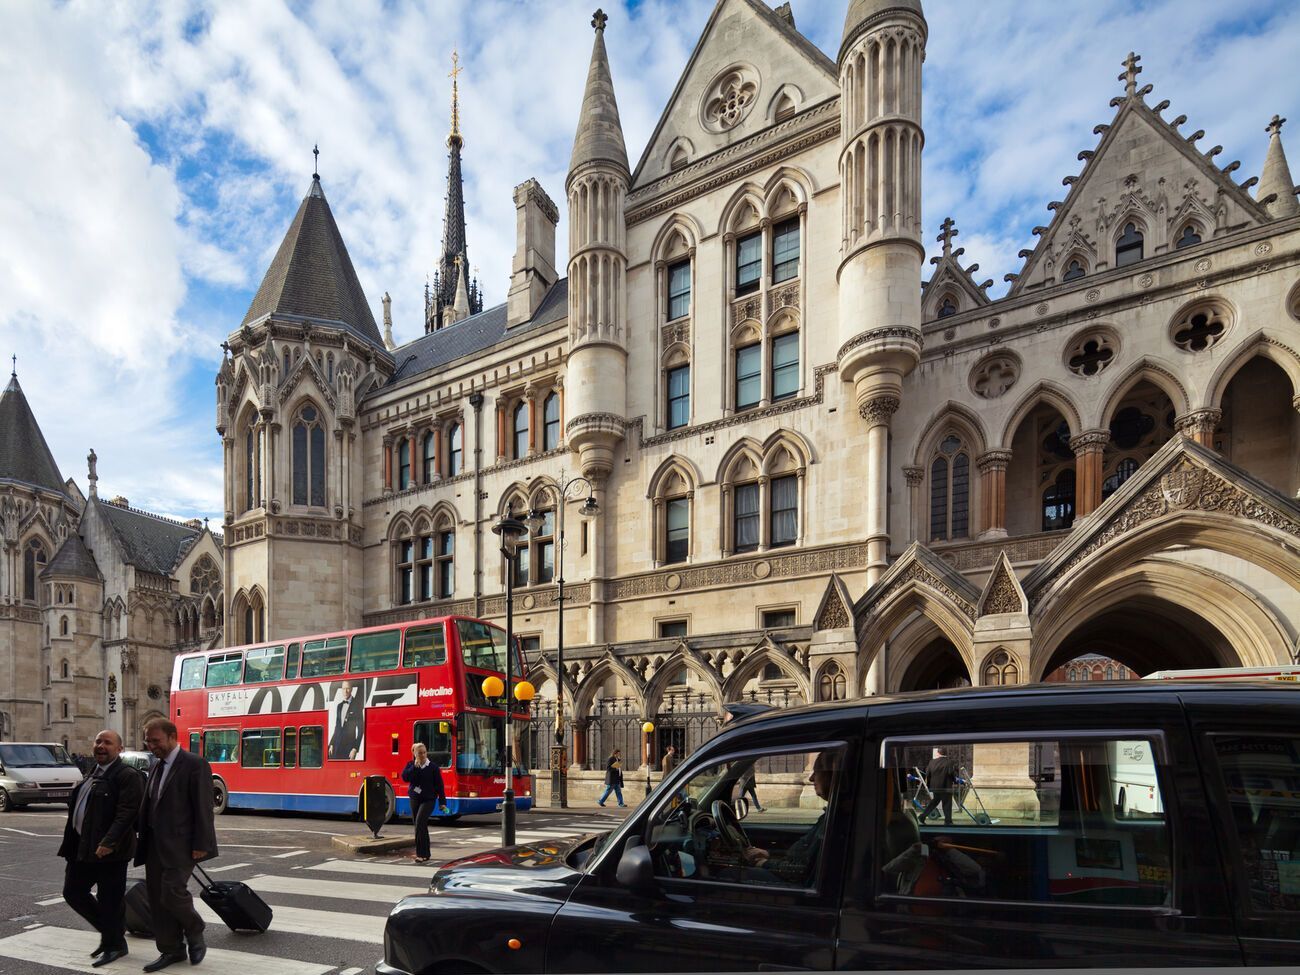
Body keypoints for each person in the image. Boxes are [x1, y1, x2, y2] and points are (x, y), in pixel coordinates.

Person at [136, 718, 219, 972]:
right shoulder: (156, 765)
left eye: (156, 740)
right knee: (157, 899)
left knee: (172, 893)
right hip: (154, 845)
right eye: (148, 741)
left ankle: (195, 928)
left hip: (183, 844)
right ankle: (171, 950)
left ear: (172, 736)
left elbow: (203, 807)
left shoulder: (195, 764)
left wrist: (201, 844)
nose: (151, 746)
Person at [58, 729, 144, 969]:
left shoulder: (127, 775)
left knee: (110, 900)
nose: (101, 746)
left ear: (119, 749)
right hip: (82, 848)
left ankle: (113, 943)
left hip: (110, 851)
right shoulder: (92, 773)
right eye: (98, 741)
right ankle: (113, 935)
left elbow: (127, 813)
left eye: (108, 742)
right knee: (73, 893)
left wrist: (109, 842)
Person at [402, 742, 447, 864]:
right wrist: (415, 767)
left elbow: (440, 786)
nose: (422, 755)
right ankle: (426, 853)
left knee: (420, 822)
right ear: (414, 754)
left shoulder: (433, 767)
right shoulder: (411, 765)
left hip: (429, 800)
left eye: (424, 752)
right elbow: (405, 777)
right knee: (419, 826)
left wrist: (442, 802)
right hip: (415, 798)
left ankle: (420, 854)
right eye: (419, 753)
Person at [920, 747, 960, 827]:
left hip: (935, 787)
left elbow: (928, 774)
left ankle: (922, 816)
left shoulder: (932, 762)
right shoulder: (949, 762)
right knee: (947, 803)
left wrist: (929, 785)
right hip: (946, 786)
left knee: (935, 802)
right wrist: (955, 781)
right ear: (946, 753)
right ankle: (948, 821)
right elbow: (951, 773)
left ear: (938, 753)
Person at [328, 680, 364, 760]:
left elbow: (361, 729)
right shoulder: (339, 706)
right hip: (336, 747)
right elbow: (337, 727)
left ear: (351, 689)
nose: (345, 691)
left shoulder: (357, 705)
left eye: (347, 688)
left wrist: (355, 749)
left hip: (348, 748)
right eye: (343, 689)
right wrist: (331, 744)